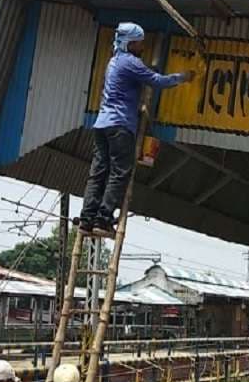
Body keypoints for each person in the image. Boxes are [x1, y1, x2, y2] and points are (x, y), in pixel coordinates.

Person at [78, 22, 195, 237]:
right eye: (140, 42)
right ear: (130, 43)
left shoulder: (114, 62)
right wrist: (182, 78)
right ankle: (103, 220)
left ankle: (87, 219)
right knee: (120, 172)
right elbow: (157, 81)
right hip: (120, 125)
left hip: (102, 124)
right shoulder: (130, 63)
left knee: (98, 173)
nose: (143, 46)